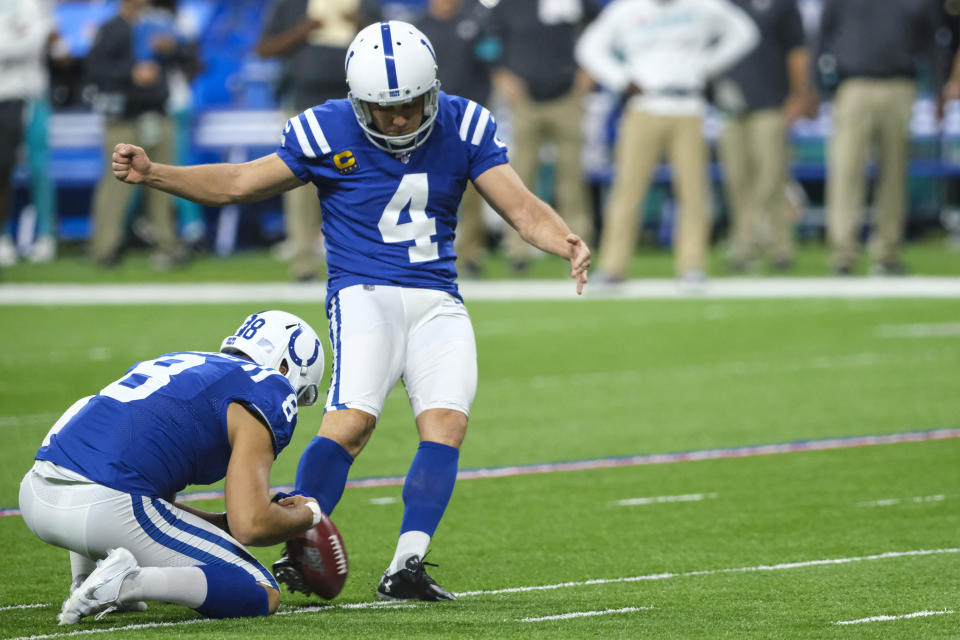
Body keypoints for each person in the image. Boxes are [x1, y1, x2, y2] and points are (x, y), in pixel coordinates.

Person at [108, 20, 590, 601]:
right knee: (352, 423)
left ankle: (407, 565)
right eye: (383, 108)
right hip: (365, 292)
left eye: (411, 104)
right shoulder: (326, 127)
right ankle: (295, 549)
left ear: (431, 90)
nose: (398, 119)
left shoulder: (464, 122)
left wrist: (564, 239)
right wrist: (154, 172)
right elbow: (239, 181)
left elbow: (519, 205)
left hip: (438, 294)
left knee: (447, 425)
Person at [19, 310, 325, 625]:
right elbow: (251, 526)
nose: (294, 401)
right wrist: (310, 514)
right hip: (106, 506)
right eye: (300, 395)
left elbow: (162, 503)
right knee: (262, 589)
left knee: (106, 459)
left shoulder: (185, 362)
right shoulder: (267, 386)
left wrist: (222, 523)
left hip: (37, 492)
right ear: (287, 366)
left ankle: (84, 579)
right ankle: (128, 583)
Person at [575, 0, 758, 284]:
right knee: (627, 190)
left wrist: (708, 65)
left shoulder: (702, 6)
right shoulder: (626, 10)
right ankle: (613, 266)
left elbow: (745, 32)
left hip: (689, 106)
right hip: (645, 105)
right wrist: (621, 79)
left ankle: (692, 266)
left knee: (693, 192)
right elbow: (588, 47)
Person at [256, 0, 380, 281]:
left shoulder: (365, 3)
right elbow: (264, 49)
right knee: (298, 188)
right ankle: (303, 264)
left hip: (358, 105)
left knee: (365, 184)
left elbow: (388, 45)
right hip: (303, 104)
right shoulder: (290, 5)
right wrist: (305, 29)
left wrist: (359, 22)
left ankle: (369, 261)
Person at [817, 0, 940, 275]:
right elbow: (823, 33)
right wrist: (819, 86)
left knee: (894, 172)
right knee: (846, 168)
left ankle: (887, 251)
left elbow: (929, 38)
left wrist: (938, 87)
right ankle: (843, 252)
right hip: (853, 83)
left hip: (899, 82)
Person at [487, 0, 598, 273]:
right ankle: (517, 250)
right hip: (524, 99)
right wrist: (499, 74)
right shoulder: (507, 6)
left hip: (567, 96)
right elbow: (487, 43)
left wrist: (591, 69)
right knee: (519, 178)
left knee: (572, 179)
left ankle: (578, 248)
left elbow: (601, 28)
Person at [713, 0, 817, 272]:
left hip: (771, 103)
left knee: (771, 178)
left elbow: (797, 50)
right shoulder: (723, 5)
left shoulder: (782, 4)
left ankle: (779, 246)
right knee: (737, 181)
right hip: (731, 108)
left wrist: (799, 93)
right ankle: (744, 248)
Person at [85, 0, 189, 270]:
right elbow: (94, 70)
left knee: (165, 181)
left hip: (158, 112)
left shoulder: (159, 24)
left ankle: (167, 245)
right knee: (116, 184)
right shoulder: (110, 28)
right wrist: (129, 74)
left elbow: (191, 55)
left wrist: (173, 48)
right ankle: (104, 248)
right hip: (124, 118)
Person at [416, 0, 495, 277]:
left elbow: (489, 64)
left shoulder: (476, 22)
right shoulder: (416, 29)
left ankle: (471, 254)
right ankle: (423, 253)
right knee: (423, 190)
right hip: (423, 123)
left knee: (475, 189)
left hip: (465, 122)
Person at [0, 0, 50, 271]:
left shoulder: (30, 4)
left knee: (39, 169)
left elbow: (35, 41)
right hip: (7, 95)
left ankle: (46, 235)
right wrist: (12, 38)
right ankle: (3, 237)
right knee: (2, 172)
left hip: (29, 95)